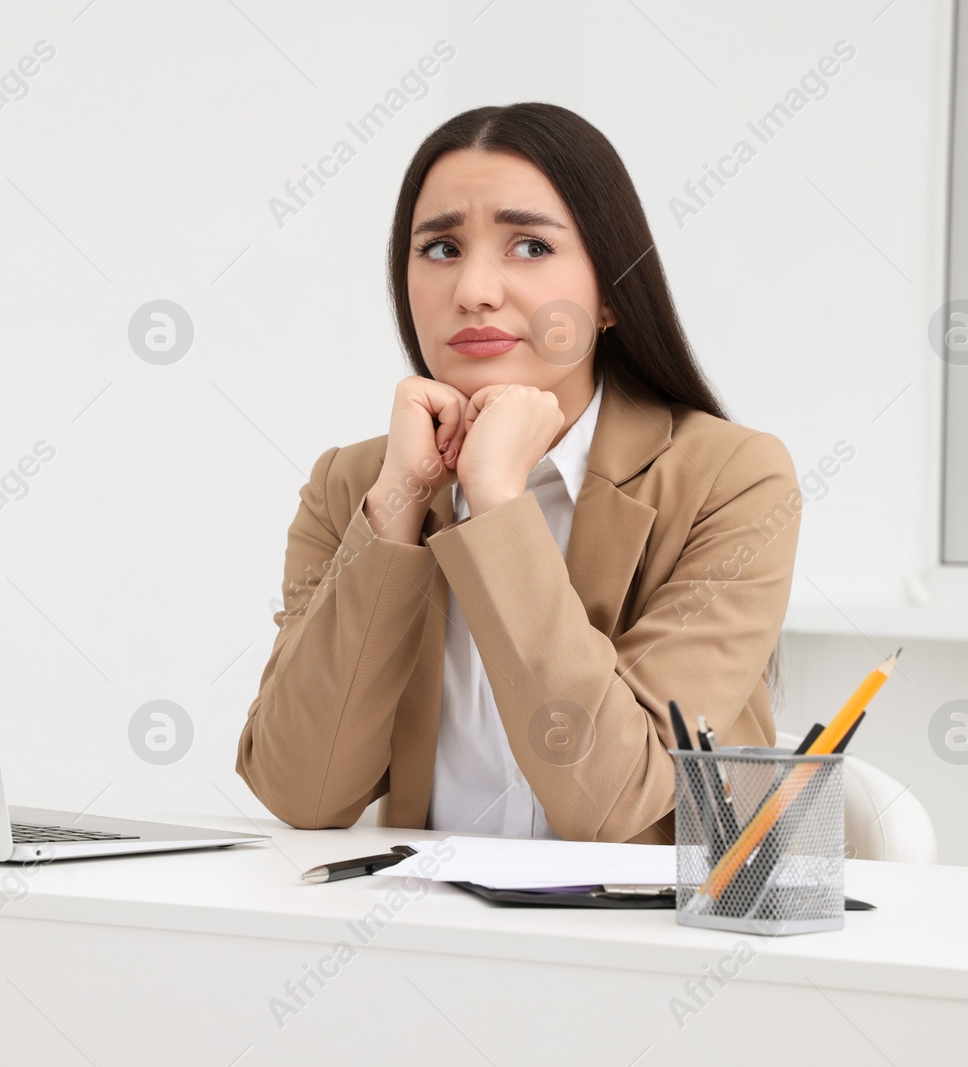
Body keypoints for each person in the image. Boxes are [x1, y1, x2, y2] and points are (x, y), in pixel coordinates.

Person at [235, 102, 802, 844]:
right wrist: (397, 512)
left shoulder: (733, 479)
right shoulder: (354, 484)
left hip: (643, 945)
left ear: (608, 293)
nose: (474, 288)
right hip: (423, 935)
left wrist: (500, 505)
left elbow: (613, 803)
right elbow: (301, 791)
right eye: (439, 248)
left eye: (530, 246)